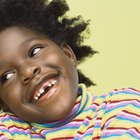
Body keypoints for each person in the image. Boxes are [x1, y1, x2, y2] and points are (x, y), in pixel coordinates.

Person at [0, 0, 139, 139]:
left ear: (68, 54)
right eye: (7, 76)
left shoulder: (124, 107)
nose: (28, 71)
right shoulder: (7, 129)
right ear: (5, 104)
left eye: (35, 51)